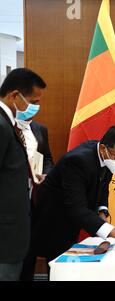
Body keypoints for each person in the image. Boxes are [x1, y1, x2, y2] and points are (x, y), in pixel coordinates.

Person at [31, 125, 115, 263]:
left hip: (71, 222)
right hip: (52, 221)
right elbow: (77, 208)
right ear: (103, 149)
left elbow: (103, 188)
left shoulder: (108, 157)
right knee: (58, 269)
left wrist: (102, 211)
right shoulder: (76, 161)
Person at [0, 68, 46, 281]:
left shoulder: (10, 123)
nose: (35, 107)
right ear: (14, 95)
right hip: (5, 233)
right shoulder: (1, 125)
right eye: (32, 101)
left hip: (15, 228)